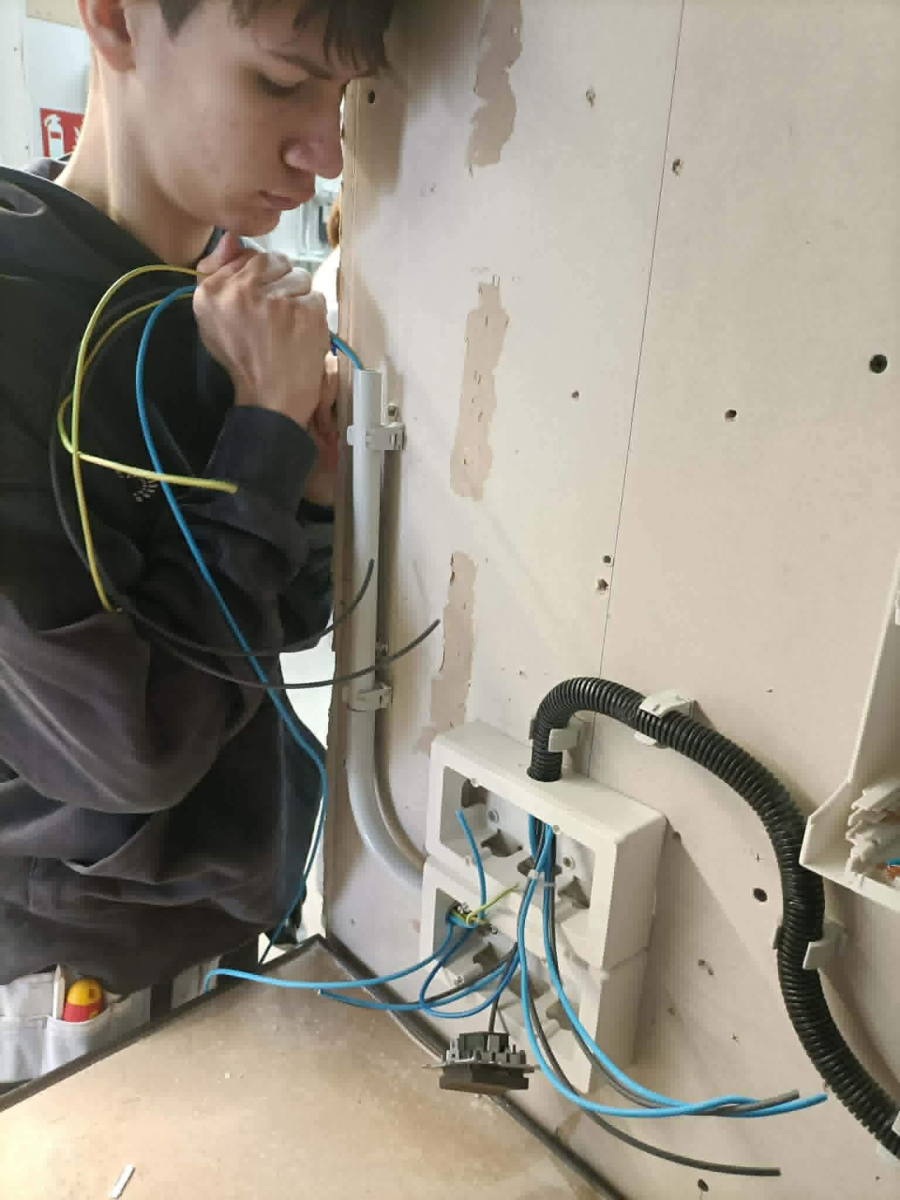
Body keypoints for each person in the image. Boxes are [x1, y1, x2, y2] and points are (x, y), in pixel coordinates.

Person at [0, 0, 393, 1091]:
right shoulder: (17, 326)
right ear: (116, 21)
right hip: (72, 984)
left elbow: (268, 633)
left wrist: (305, 492)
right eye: (280, 84)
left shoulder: (198, 313)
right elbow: (131, 748)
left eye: (344, 104)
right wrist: (261, 434)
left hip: (218, 930)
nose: (325, 158)